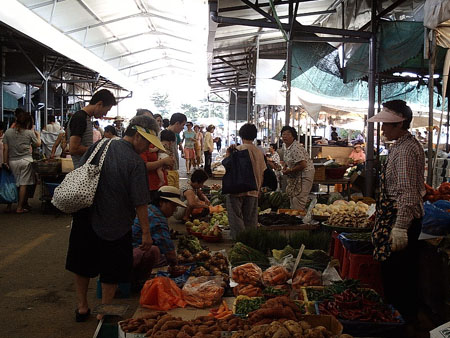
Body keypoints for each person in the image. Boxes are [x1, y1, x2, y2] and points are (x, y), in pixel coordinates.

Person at [65, 114, 166, 322]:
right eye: (147, 143)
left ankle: (82, 307)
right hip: (116, 223)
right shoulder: (135, 162)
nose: (148, 149)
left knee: (82, 263)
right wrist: (146, 232)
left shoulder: (100, 145)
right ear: (138, 135)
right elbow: (140, 202)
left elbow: (82, 170)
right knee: (111, 269)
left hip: (85, 215)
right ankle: (104, 310)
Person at [368, 100, 425, 326]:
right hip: (394, 214)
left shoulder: (405, 151)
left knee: (398, 276)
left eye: (387, 125)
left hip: (401, 218)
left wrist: (400, 227)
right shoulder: (401, 145)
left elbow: (408, 192)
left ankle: (401, 322)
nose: (383, 129)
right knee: (397, 274)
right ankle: (398, 317)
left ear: (400, 124)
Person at [132, 186, 186, 285]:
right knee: (154, 252)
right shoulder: (157, 219)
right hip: (130, 253)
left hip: (130, 249)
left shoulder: (150, 208)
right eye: (173, 206)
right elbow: (169, 250)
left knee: (161, 258)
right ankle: (138, 280)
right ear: (161, 202)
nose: (174, 210)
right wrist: (176, 265)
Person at [226, 124, 266, 240]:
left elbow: (228, 167)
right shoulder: (259, 152)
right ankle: (249, 242)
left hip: (237, 190)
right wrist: (258, 189)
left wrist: (228, 154)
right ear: (254, 136)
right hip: (253, 189)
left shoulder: (238, 150)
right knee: (250, 219)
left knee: (235, 216)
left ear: (241, 135)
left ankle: (239, 241)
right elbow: (262, 172)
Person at [2, 112, 41, 213]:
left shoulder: (8, 132)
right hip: (26, 161)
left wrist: (5, 162)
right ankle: (19, 207)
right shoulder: (29, 133)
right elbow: (38, 144)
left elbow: (5, 149)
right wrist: (38, 135)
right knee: (23, 184)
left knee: (12, 183)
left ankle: (9, 206)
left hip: (12, 161)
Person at [67, 89, 116, 169]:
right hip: (82, 171)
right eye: (107, 110)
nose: (105, 114)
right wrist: (99, 149)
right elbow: (73, 149)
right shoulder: (80, 118)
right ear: (99, 104)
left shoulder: (85, 118)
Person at [280, 126, 315, 210]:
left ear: (293, 136)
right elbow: (287, 160)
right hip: (296, 174)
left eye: (288, 134)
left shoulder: (295, 147)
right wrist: (284, 167)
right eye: (283, 134)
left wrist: (290, 170)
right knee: (293, 196)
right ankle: (294, 216)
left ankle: (299, 218)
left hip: (305, 174)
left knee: (299, 197)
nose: (285, 136)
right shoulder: (285, 146)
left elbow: (303, 164)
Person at [166, 113, 187, 188]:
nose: (183, 128)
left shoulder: (175, 135)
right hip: (167, 172)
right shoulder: (163, 134)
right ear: (177, 123)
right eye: (183, 125)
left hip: (174, 170)